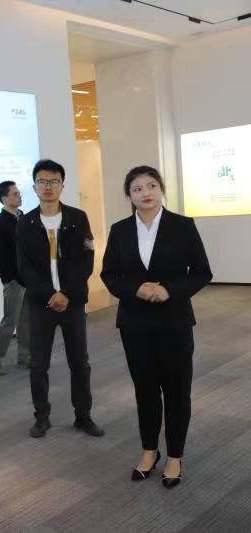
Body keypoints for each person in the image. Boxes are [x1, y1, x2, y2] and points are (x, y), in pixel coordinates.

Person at [101, 166, 211, 488]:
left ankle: (175, 454)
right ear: (129, 195)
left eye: (151, 186)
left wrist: (169, 290)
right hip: (135, 324)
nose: (145, 193)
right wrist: (136, 289)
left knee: (177, 390)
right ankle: (150, 450)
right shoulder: (120, 230)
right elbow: (109, 275)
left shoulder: (182, 225)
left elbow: (202, 272)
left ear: (161, 189)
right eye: (137, 188)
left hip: (174, 321)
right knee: (145, 390)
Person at [16, 159, 104, 439]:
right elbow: (24, 267)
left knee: (80, 362)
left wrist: (66, 293)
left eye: (54, 181)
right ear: (34, 187)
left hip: (72, 302)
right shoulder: (25, 222)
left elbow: (86, 260)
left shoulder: (78, 218)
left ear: (62, 186)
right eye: (42, 181)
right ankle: (41, 416)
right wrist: (50, 294)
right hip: (41, 303)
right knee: (38, 363)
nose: (48, 187)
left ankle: (83, 416)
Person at [0, 180, 31, 375]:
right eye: (14, 194)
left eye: (19, 192)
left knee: (26, 320)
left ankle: (25, 358)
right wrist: (11, 278)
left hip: (28, 278)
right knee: (10, 321)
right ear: (4, 199)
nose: (19, 196)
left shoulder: (24, 218)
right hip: (14, 281)